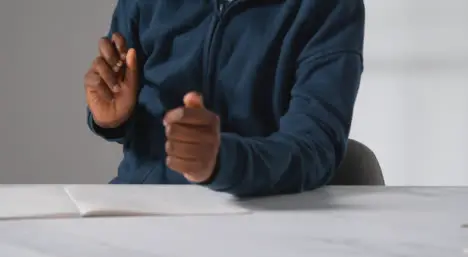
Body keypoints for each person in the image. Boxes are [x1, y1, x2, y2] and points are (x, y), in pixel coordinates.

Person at [84, 0, 365, 197]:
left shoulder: (330, 7)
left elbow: (315, 147)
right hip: (139, 209)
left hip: (262, 221)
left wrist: (222, 161)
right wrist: (114, 118)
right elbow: (128, 100)